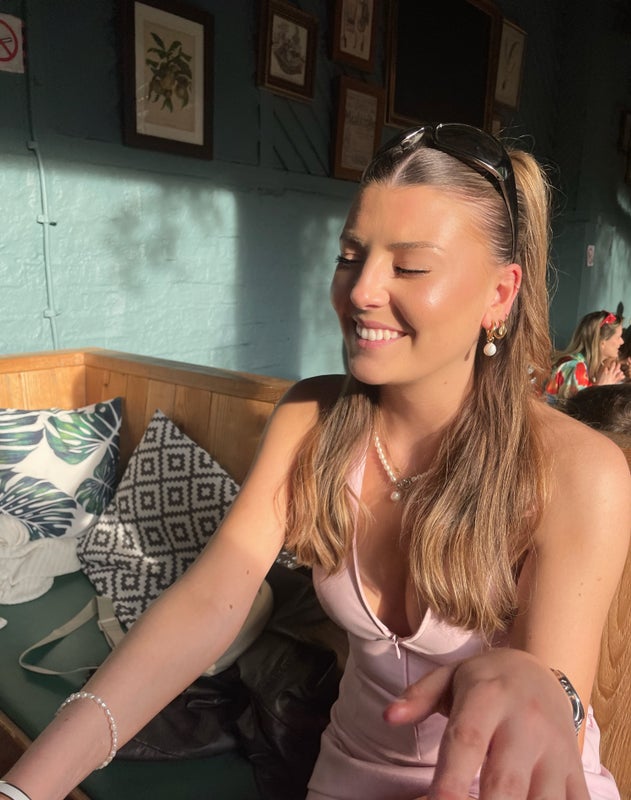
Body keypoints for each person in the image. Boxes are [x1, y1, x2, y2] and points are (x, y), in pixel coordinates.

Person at [2, 123, 630, 800]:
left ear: (499, 294)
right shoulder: (311, 419)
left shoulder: (579, 470)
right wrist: (25, 788)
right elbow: (209, 603)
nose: (361, 291)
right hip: (350, 772)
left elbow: (551, 706)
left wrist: (545, 691)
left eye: (409, 267)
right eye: (350, 256)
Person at [544, 310, 625, 405]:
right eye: (618, 337)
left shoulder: (589, 368)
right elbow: (574, 411)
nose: (622, 342)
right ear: (602, 342)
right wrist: (601, 389)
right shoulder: (576, 368)